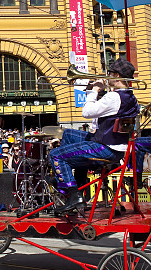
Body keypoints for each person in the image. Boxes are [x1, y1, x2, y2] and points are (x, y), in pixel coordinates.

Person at [49, 58, 139, 215]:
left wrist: (94, 91)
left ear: (117, 76)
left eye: (110, 73)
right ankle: (75, 183)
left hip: (106, 148)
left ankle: (73, 194)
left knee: (55, 154)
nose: (107, 75)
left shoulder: (114, 97)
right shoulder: (131, 97)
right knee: (69, 134)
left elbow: (86, 112)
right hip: (116, 147)